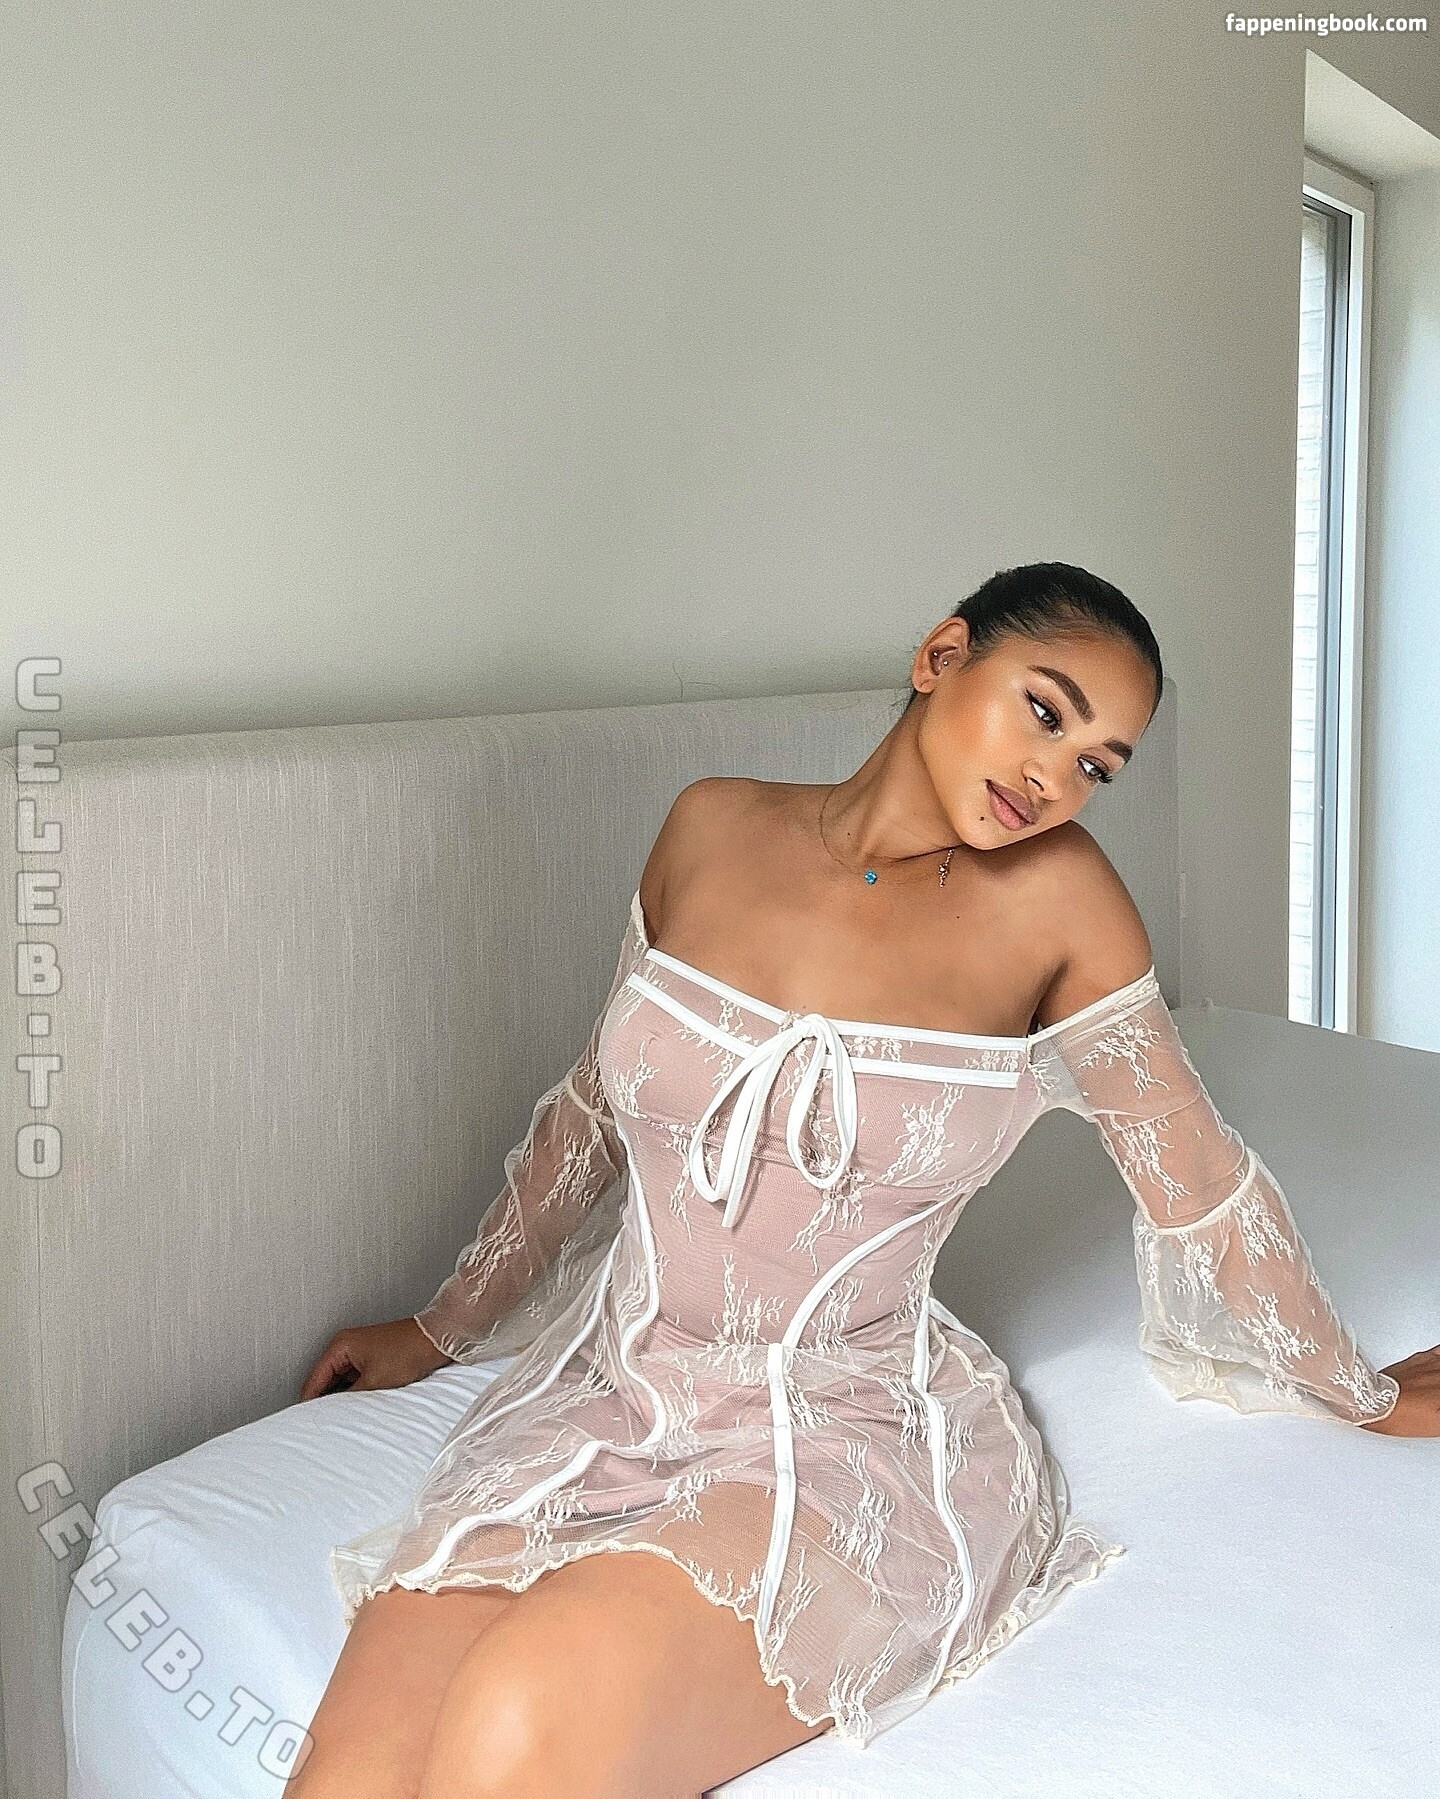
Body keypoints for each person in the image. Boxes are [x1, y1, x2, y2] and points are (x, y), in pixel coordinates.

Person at [289, 563, 1437, 1799]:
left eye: (1097, 764)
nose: (1054, 776)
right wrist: (444, 1323)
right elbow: (595, 1108)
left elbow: (1194, 1171)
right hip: (611, 1396)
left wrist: (1357, 1390)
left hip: (839, 1431)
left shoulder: (1062, 905)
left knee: (520, 1708)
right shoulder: (708, 826)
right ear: (942, 655)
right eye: (1044, 709)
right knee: (348, 1776)